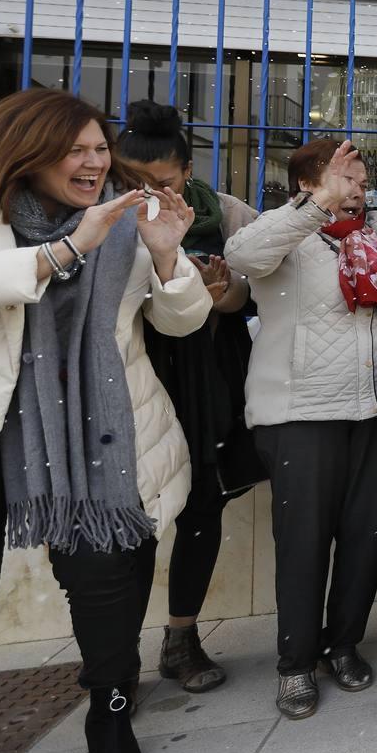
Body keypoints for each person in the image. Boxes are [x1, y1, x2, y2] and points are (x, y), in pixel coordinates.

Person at [0, 88, 211, 753]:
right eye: (76, 149)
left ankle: (111, 712)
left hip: (100, 430)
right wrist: (60, 252)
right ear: (25, 149)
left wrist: (169, 260)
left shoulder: (122, 220)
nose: (94, 162)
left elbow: (181, 323)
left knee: (103, 573)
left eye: (98, 148)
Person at [224, 130, 377, 721]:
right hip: (302, 414)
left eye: (360, 179)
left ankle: (342, 643)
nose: (357, 188)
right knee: (302, 544)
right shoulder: (285, 233)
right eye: (344, 178)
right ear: (309, 182)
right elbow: (243, 258)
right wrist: (314, 206)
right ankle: (295, 663)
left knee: (364, 536)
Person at [115, 99, 262, 694]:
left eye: (164, 181)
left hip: (209, 367)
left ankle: (182, 637)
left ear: (187, 170)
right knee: (131, 513)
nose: (149, 192)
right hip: (134, 369)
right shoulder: (100, 214)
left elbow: (258, 286)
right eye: (134, 181)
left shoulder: (226, 213)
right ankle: (114, 647)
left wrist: (224, 290)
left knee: (204, 502)